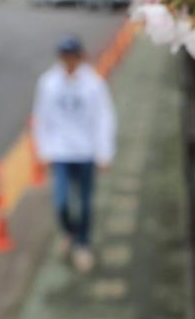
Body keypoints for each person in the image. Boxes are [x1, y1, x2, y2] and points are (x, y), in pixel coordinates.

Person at [33, 34, 116, 272]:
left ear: (80, 57)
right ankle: (69, 232)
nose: (68, 61)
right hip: (60, 152)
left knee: (85, 202)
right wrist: (43, 149)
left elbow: (104, 118)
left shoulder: (93, 83)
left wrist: (104, 152)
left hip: (86, 151)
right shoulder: (49, 83)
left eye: (72, 57)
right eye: (64, 57)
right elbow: (42, 117)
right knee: (61, 202)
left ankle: (82, 243)